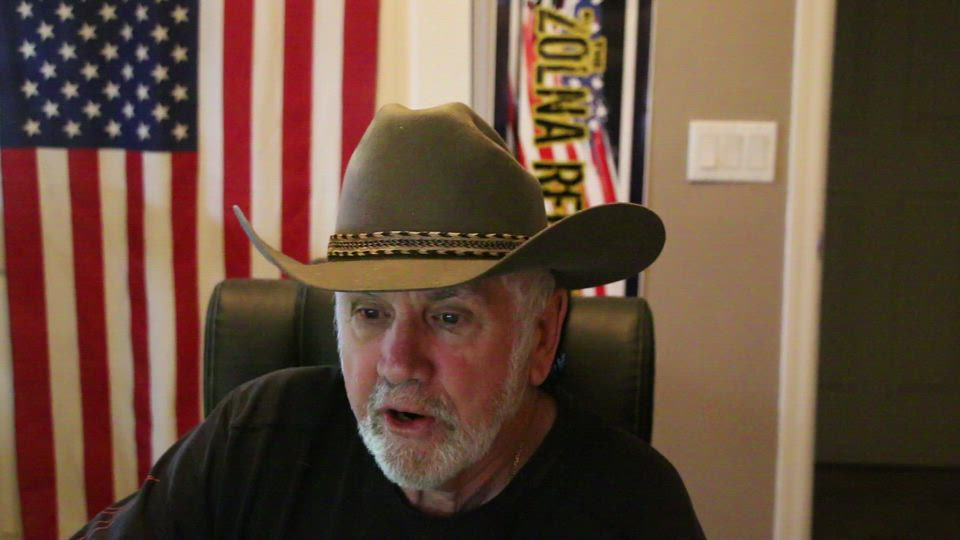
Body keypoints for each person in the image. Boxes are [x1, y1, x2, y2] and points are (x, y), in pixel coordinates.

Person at [73, 103, 704, 538]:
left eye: (449, 316)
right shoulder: (257, 439)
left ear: (541, 335)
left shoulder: (631, 508)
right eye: (371, 313)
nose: (399, 363)